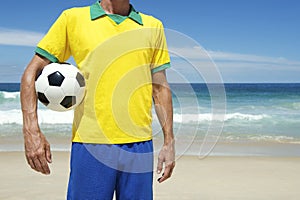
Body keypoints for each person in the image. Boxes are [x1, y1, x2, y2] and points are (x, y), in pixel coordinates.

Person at [20, 0, 175, 199]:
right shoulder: (73, 19)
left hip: (140, 147)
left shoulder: (153, 26)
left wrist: (169, 142)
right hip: (90, 145)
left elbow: (160, 88)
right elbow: (31, 73)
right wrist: (31, 130)